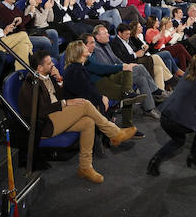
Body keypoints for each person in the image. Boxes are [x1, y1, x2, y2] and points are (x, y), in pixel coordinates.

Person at [18, 50, 137, 184]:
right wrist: (65, 103)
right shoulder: (30, 83)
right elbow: (40, 110)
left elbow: (60, 95)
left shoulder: (48, 76)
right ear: (39, 68)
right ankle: (114, 133)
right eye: (49, 63)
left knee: (88, 122)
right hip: (45, 124)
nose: (53, 64)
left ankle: (85, 167)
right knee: (85, 104)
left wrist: (59, 80)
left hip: (56, 116)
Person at [146, 52, 196, 176]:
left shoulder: (188, 72)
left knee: (178, 140)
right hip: (177, 120)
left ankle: (155, 160)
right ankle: (194, 156)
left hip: (165, 115)